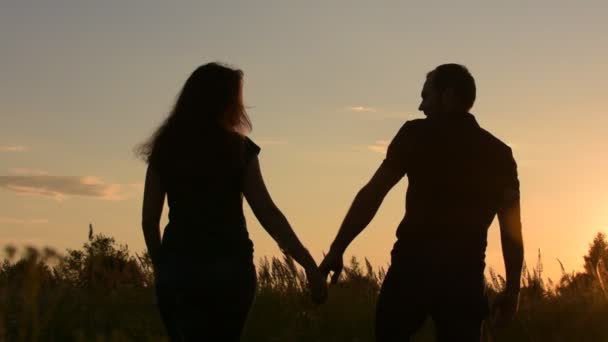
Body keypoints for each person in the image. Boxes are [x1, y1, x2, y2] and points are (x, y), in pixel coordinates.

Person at [320, 64, 524, 341]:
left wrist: (338, 248)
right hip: (464, 280)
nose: (420, 106)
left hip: (411, 272)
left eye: (426, 96)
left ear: (448, 96)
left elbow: (373, 193)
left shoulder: (415, 135)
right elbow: (512, 229)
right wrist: (512, 290)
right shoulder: (500, 154)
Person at [137, 62, 327, 341]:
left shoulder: (165, 149)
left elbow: (149, 220)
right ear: (224, 102)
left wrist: (163, 268)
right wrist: (309, 265)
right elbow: (267, 212)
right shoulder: (238, 150)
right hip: (230, 268)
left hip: (180, 267)